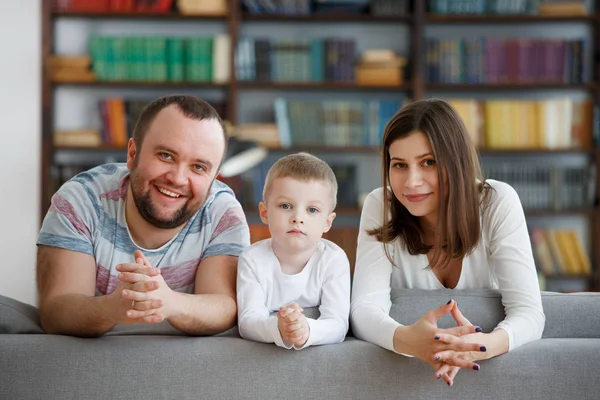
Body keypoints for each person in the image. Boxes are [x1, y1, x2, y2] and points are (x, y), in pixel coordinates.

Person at [350, 99, 545, 386]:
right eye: (399, 165)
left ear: (456, 161)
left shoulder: (497, 201)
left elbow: (529, 312)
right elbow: (363, 309)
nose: (411, 182)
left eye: (428, 162)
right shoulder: (381, 204)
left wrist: (481, 347)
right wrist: (409, 341)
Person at [36, 95, 250, 337]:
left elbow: (226, 307)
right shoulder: (81, 199)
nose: (178, 179)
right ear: (132, 153)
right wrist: (114, 307)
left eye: (198, 167)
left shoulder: (223, 212)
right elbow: (55, 312)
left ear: (214, 178)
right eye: (166, 155)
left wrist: (167, 302)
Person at [237, 153, 350, 349]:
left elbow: (338, 323)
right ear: (264, 213)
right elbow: (248, 321)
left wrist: (306, 329)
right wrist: (278, 327)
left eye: (312, 210)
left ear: (327, 222)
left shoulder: (334, 259)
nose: (298, 217)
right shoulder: (251, 259)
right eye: (286, 206)